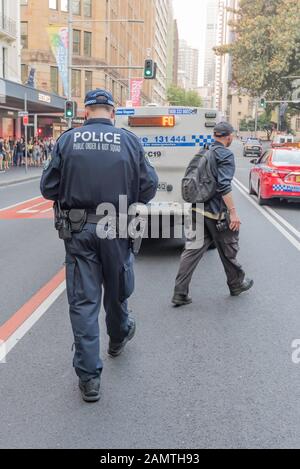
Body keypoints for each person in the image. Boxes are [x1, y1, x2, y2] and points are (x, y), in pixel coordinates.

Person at [41, 89, 158, 403]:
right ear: (113, 111)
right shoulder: (129, 141)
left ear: (86, 110)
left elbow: (48, 187)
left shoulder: (68, 140)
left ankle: (90, 378)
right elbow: (148, 188)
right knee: (118, 287)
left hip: (79, 230)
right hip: (118, 226)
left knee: (83, 302)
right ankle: (118, 337)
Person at [172, 122, 254, 307]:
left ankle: (180, 293)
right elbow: (224, 186)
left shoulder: (203, 151)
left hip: (196, 208)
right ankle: (236, 284)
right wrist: (233, 213)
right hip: (216, 213)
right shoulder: (225, 154)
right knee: (228, 249)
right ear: (229, 136)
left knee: (191, 252)